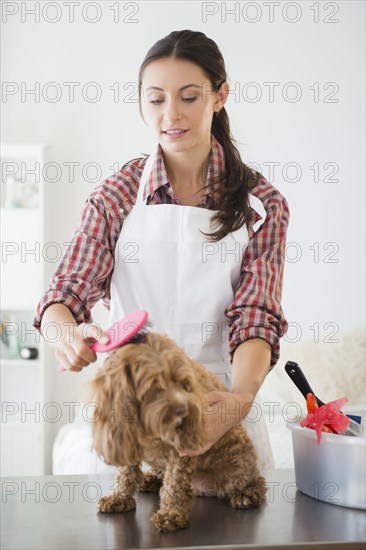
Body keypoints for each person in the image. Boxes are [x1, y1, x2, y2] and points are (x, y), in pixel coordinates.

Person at [34, 29, 289, 469]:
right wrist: (67, 337)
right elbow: (63, 297)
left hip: (219, 408)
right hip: (131, 415)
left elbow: (256, 318)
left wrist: (237, 403)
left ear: (220, 95)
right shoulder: (117, 194)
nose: (171, 114)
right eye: (155, 99)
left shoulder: (261, 205)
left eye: (189, 97)